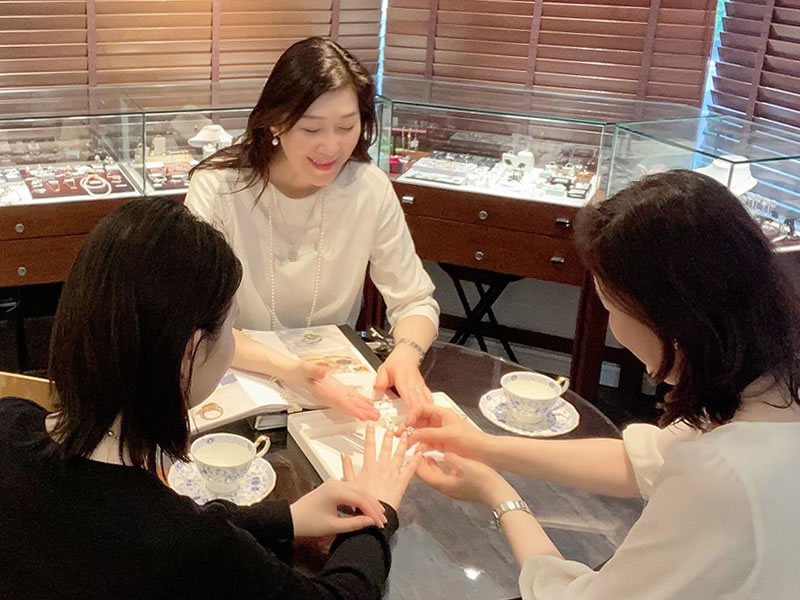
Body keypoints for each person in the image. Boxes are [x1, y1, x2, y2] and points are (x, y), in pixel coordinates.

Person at [0, 197, 421, 600]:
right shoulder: (183, 546)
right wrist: (378, 514)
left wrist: (284, 517)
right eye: (231, 328)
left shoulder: (9, 422)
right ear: (192, 351)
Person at [409, 170, 800, 598]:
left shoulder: (720, 478)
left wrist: (498, 494)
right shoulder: (770, 389)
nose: (614, 327)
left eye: (610, 306)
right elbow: (642, 461)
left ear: (666, 319)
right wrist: (481, 446)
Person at [185, 37, 439, 424]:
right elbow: (197, 321)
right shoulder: (217, 188)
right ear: (275, 122)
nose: (331, 146)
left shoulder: (367, 187)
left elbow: (415, 300)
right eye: (311, 129)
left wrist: (405, 354)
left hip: (337, 392)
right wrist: (290, 370)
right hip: (235, 384)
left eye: (346, 126)